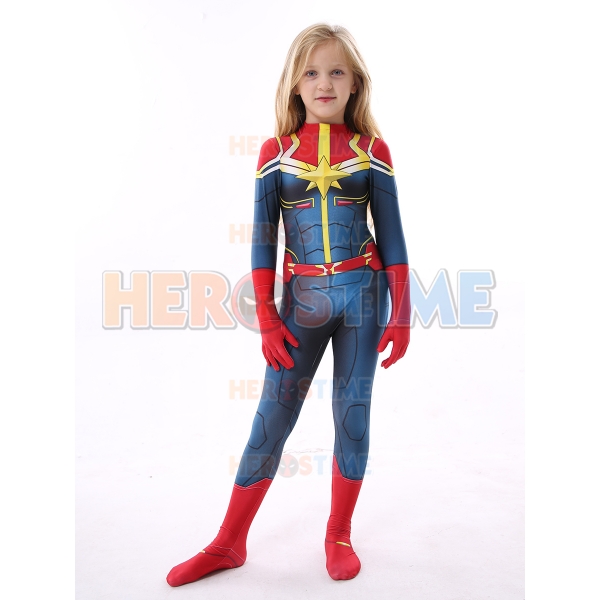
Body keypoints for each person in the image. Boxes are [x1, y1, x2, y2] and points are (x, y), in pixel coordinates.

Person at [166, 22, 410, 586]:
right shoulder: (275, 154)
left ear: (355, 82)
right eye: (311, 72)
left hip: (363, 297)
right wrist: (267, 319)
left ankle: (339, 534)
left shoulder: (372, 151)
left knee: (352, 415)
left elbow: (393, 237)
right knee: (271, 418)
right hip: (301, 302)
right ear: (294, 84)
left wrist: (400, 312)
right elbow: (262, 242)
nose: (324, 83)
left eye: (336, 71)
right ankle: (228, 542)